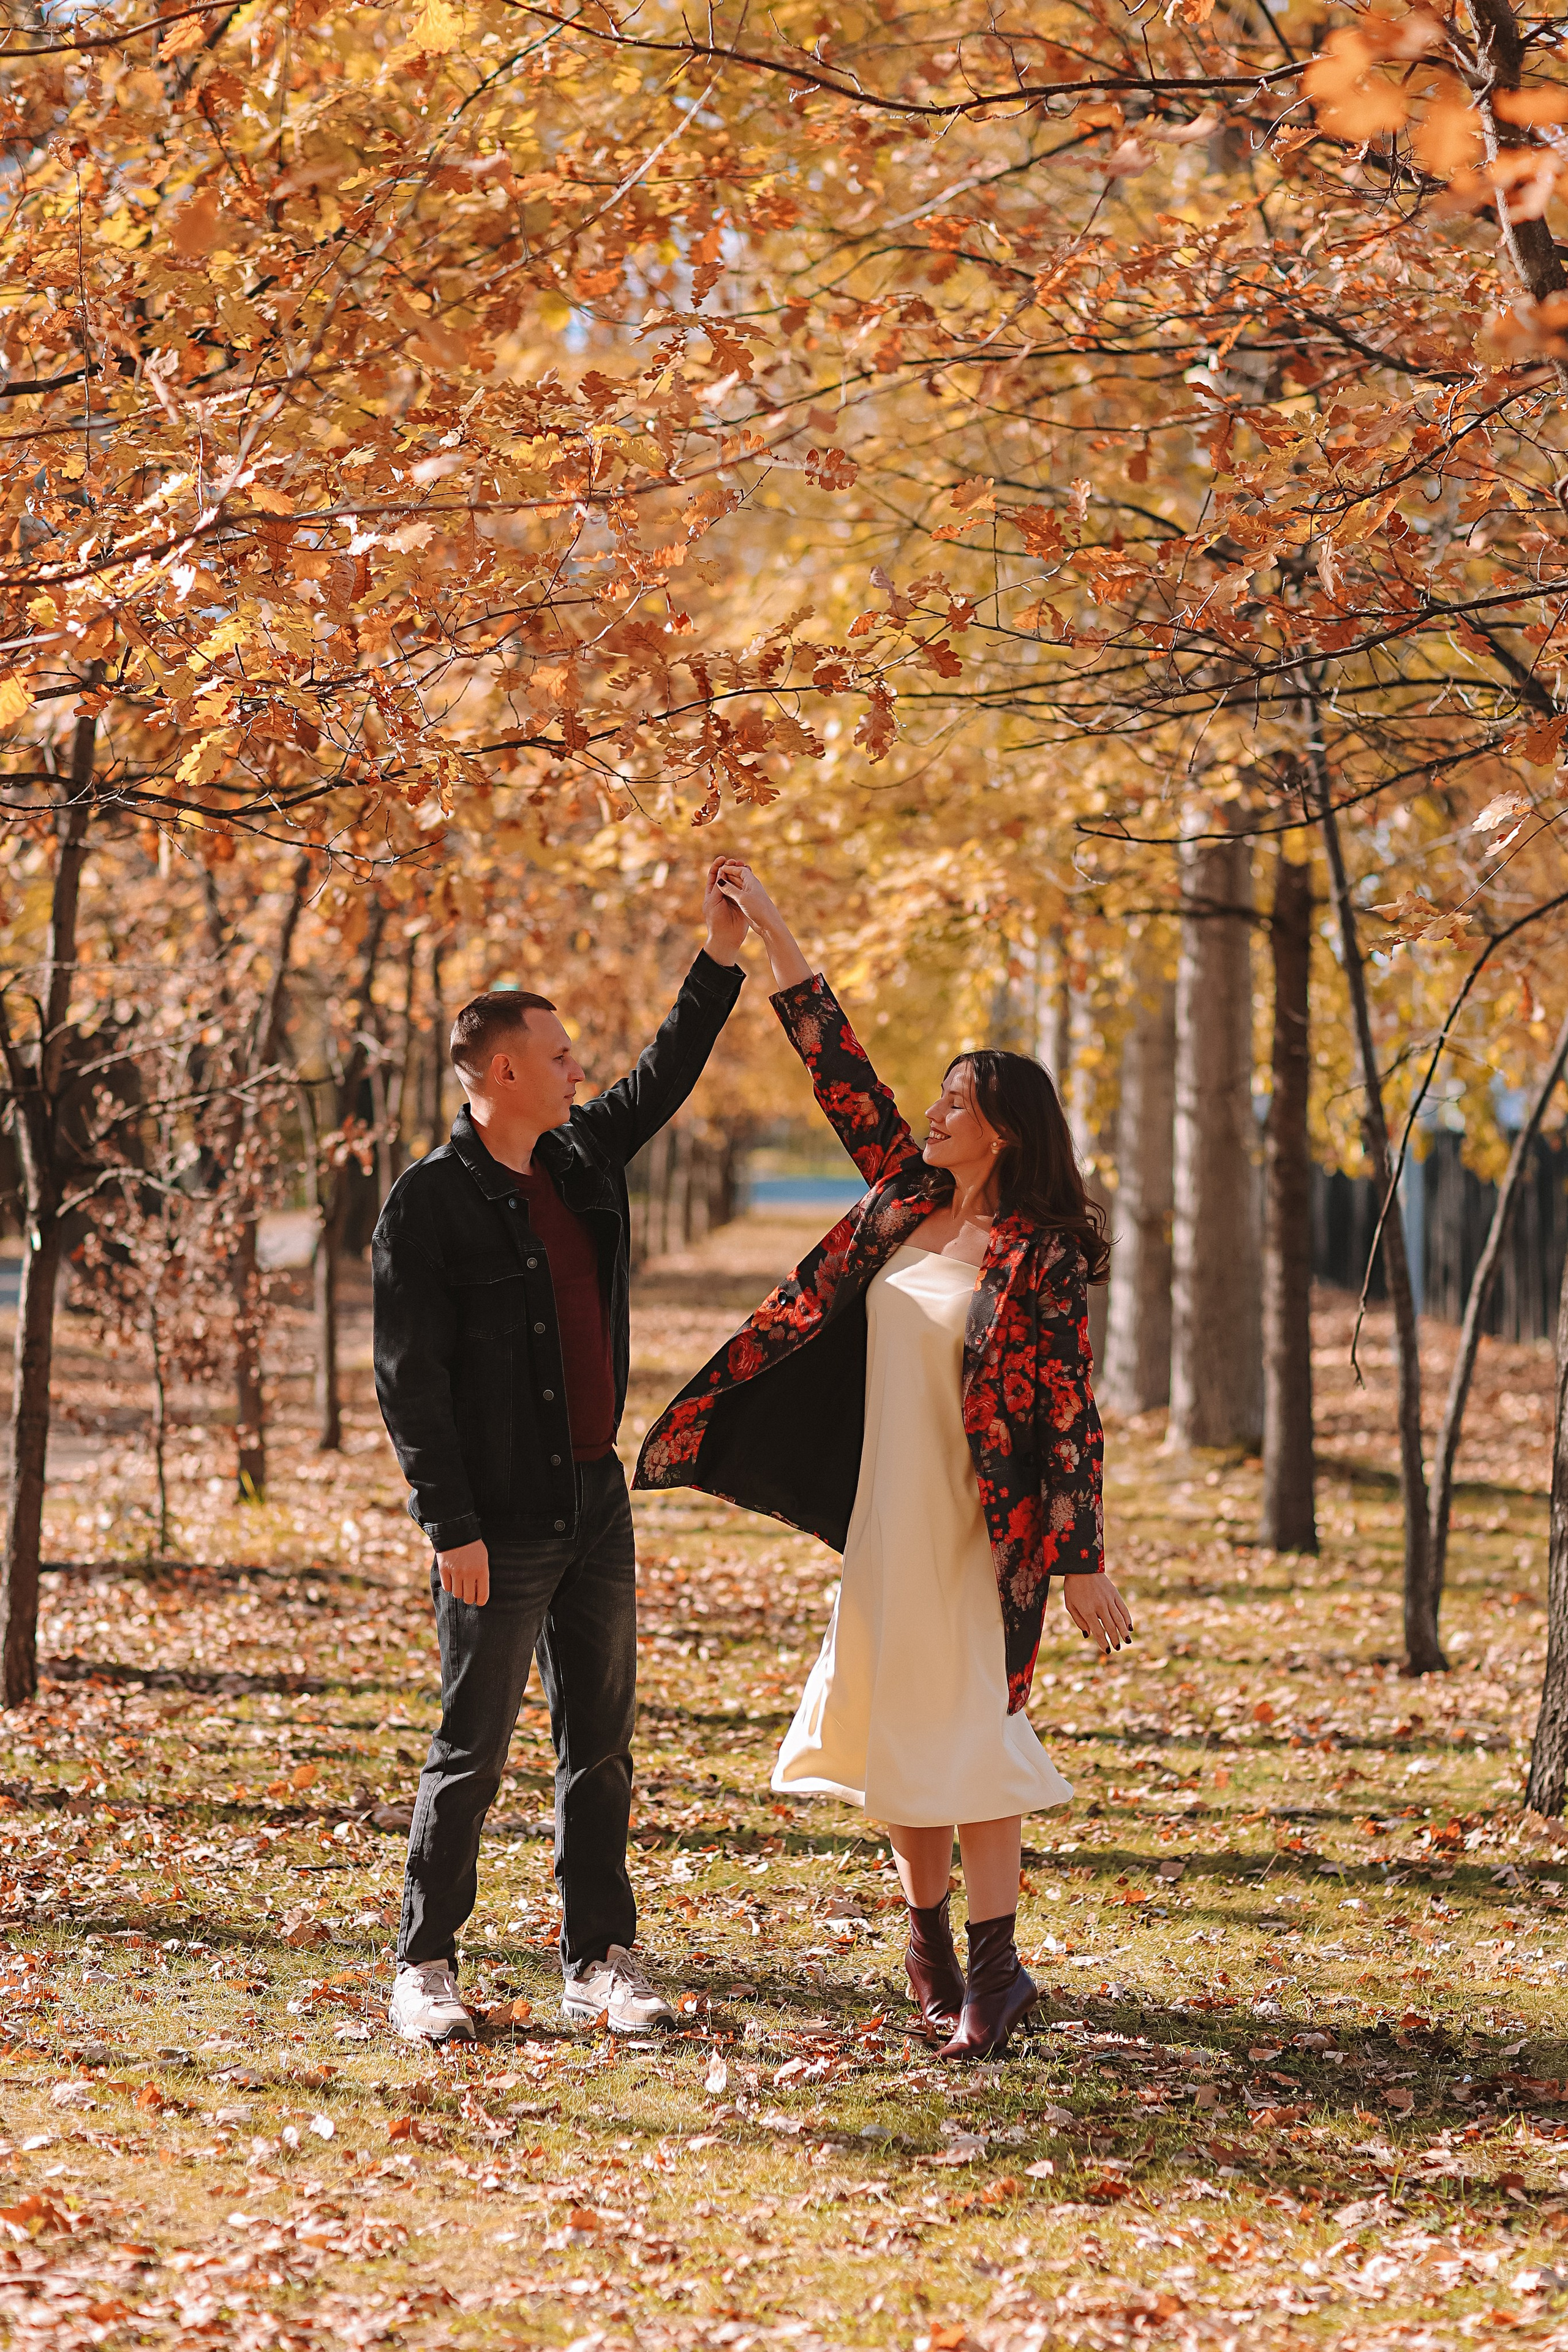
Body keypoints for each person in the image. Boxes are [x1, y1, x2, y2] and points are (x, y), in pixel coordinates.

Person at [636, 865, 1133, 2060]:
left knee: (970, 1736)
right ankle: (929, 1949)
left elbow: (1067, 1407)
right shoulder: (905, 1199)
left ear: (1006, 1126)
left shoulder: (1041, 1249)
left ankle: (997, 1974)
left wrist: (1078, 1560)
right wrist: (770, 931)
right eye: (940, 1101)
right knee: (897, 1734)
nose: (935, 1115)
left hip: (983, 1533)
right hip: (885, 1517)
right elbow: (837, 1066)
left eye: (957, 1103)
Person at [372, 863, 749, 2044]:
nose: (578, 1065)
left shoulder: (579, 1161)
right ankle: (425, 1962)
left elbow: (662, 1076)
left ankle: (598, 1957)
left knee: (602, 1746)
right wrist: (453, 1527)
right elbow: (409, 1385)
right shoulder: (426, 1207)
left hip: (596, 1498)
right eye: (557, 1050)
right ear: (500, 1074)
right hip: (497, 1516)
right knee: (471, 1748)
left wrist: (720, 959)